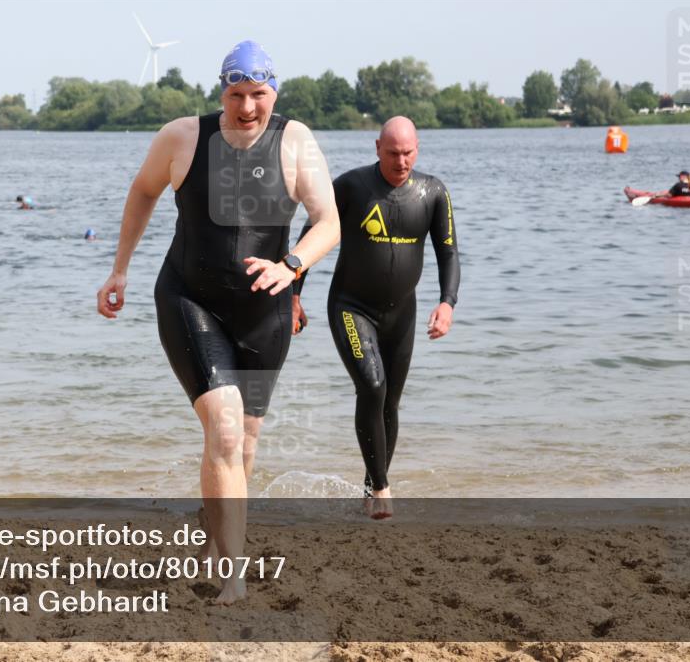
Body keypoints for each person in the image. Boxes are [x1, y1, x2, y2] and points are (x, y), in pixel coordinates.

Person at [97, 40, 340, 603]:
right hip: (190, 300)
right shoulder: (183, 137)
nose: (248, 107)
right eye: (237, 95)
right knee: (225, 430)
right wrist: (119, 271)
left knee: (244, 443)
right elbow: (142, 191)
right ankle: (231, 575)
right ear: (221, 91)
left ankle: (215, 540)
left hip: (266, 312)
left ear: (273, 92)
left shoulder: (296, 141)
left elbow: (327, 221)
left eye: (258, 95)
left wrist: (293, 265)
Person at [292, 116, 460, 520]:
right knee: (372, 384)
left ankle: (371, 486)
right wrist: (294, 296)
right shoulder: (352, 187)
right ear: (377, 148)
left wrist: (447, 302)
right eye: (392, 153)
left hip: (402, 312)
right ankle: (383, 488)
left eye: (408, 153)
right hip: (351, 306)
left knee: (390, 402)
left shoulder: (433, 192)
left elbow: (448, 252)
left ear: (417, 148)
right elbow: (312, 233)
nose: (401, 162)